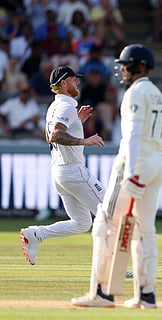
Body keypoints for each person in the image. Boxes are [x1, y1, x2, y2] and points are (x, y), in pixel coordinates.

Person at [71, 44, 162, 308]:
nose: (122, 69)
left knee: (104, 225)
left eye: (125, 64)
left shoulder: (135, 92)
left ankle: (101, 293)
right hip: (156, 163)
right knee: (145, 229)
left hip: (133, 165)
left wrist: (133, 172)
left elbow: (134, 134)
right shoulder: (157, 93)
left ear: (138, 66)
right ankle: (146, 295)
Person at [20, 66, 106, 266]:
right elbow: (56, 135)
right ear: (64, 83)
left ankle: (35, 234)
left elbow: (49, 135)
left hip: (59, 172)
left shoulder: (55, 107)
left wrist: (78, 121)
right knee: (110, 213)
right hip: (73, 170)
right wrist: (86, 141)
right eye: (74, 79)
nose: (78, 82)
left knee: (82, 223)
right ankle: (110, 264)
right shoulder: (66, 106)